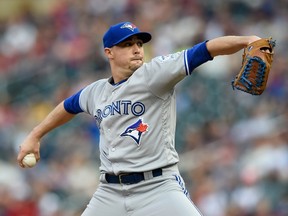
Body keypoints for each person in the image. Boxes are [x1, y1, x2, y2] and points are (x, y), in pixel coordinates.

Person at [17, 21, 261, 216]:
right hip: (109, 191)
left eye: (139, 43)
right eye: (127, 44)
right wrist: (35, 135)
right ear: (109, 52)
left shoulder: (155, 74)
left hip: (157, 186)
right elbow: (67, 107)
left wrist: (246, 41)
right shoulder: (96, 91)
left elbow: (205, 49)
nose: (136, 48)